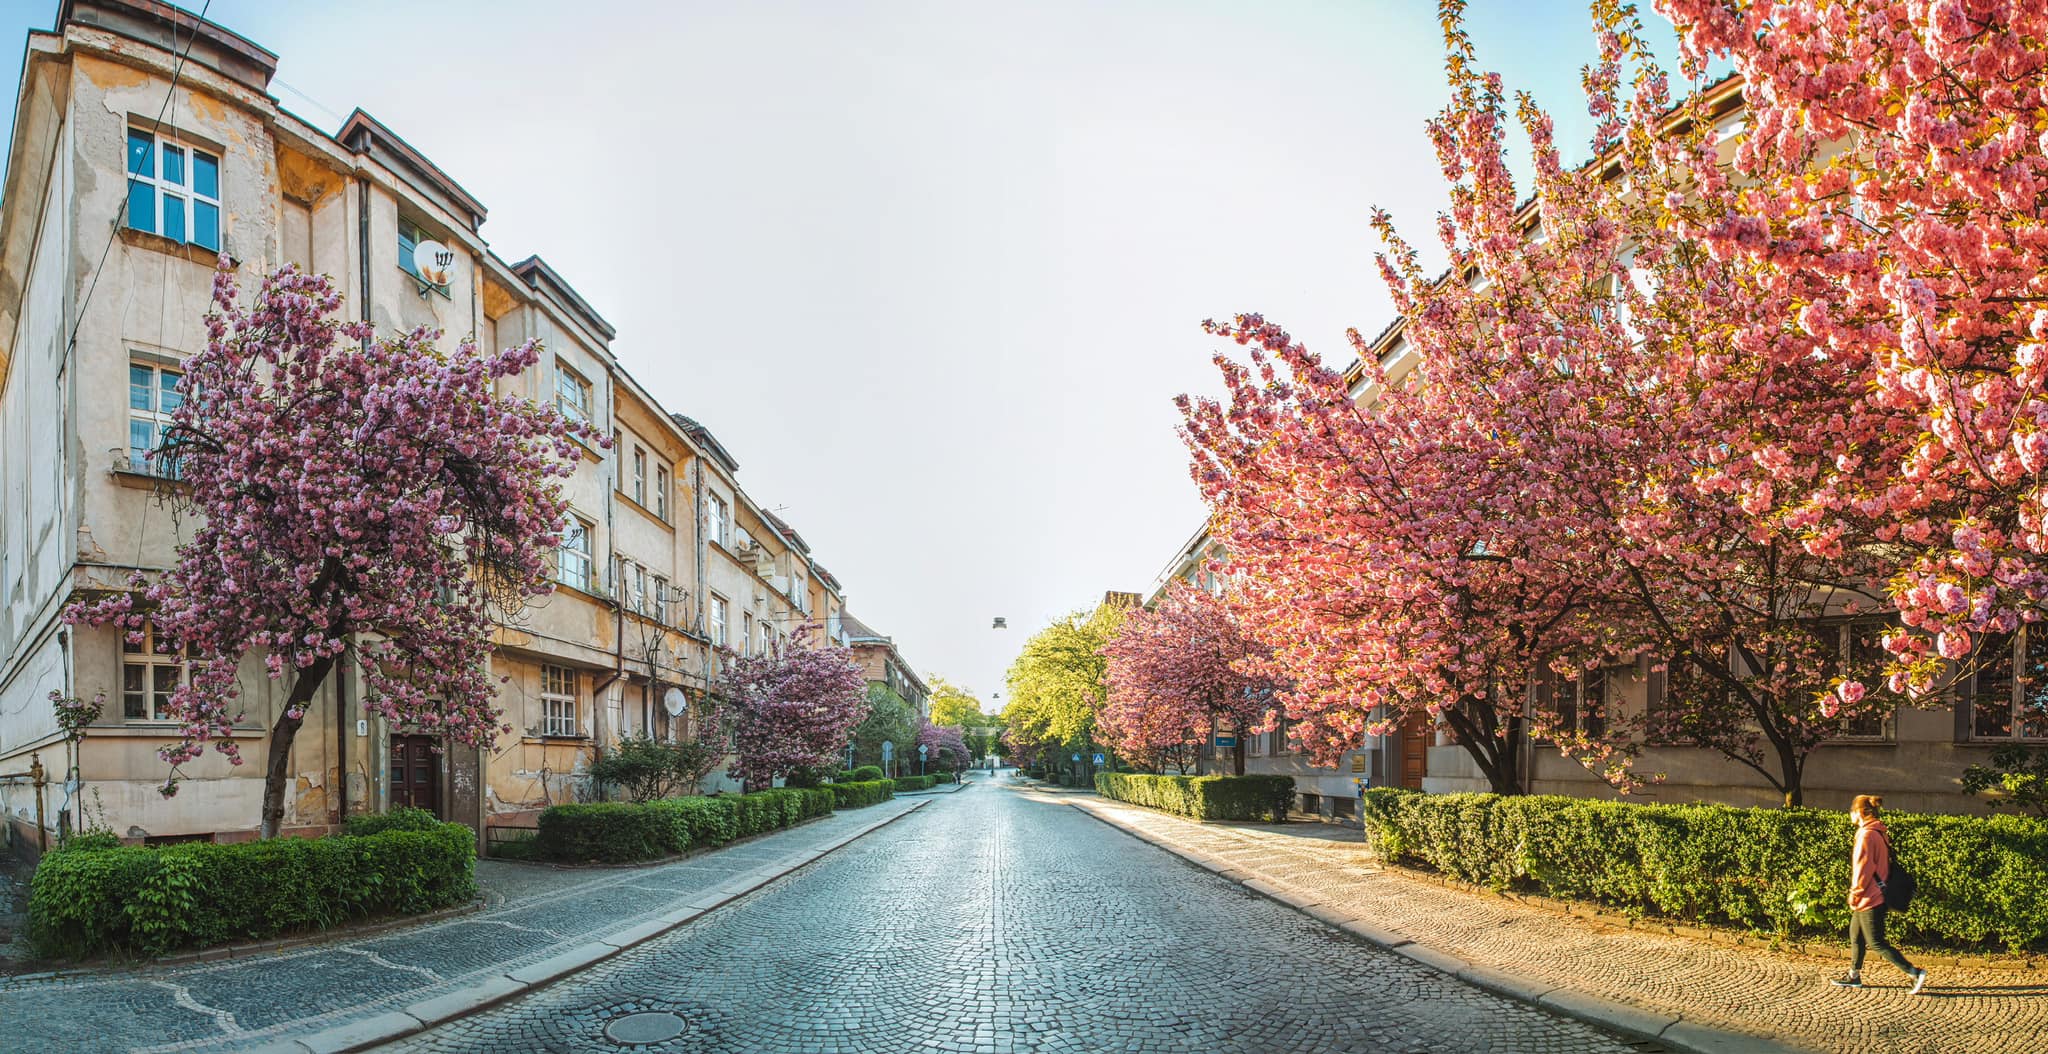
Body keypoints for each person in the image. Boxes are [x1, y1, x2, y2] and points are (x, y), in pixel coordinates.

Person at [1831, 794, 1928, 994]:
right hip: (1873, 894)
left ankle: (1914, 972)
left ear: (1859, 812)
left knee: (1876, 942)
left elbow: (1863, 869)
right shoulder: (1878, 831)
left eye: (1852, 810)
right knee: (1856, 934)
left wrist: (1855, 893)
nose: (1850, 814)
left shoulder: (1866, 835)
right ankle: (1854, 976)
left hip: (1870, 897)